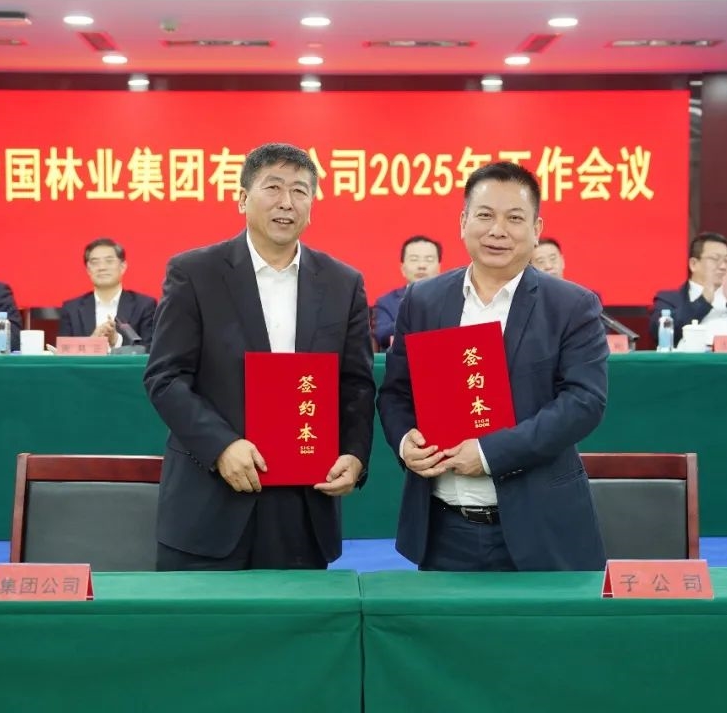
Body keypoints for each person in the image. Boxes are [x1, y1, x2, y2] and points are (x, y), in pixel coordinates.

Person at [143, 142, 376, 571]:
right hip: (210, 501)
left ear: (312, 205)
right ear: (242, 198)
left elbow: (356, 384)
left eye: (300, 191)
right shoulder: (195, 273)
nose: (287, 202)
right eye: (273, 187)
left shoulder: (343, 283)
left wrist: (354, 453)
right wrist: (221, 446)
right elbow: (165, 377)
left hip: (303, 505)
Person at [376, 161, 608, 572]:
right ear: (463, 222)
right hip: (443, 528)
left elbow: (583, 403)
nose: (497, 230)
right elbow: (396, 392)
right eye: (484, 215)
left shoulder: (572, 305)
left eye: (514, 218)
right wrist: (405, 440)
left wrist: (488, 454)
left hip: (540, 527)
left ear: (536, 229)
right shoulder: (424, 300)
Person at [649, 232, 727, 347]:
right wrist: (703, 301)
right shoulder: (669, 299)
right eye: (715, 259)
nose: (723, 266)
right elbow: (659, 334)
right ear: (693, 264)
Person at [58, 238, 157, 349]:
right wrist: (91, 342)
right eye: (95, 262)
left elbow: (149, 350)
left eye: (109, 261)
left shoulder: (144, 306)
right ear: (88, 270)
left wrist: (116, 341)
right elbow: (63, 351)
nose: (102, 268)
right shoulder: (71, 309)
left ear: (123, 267)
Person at [372, 235, 442, 349]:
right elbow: (381, 335)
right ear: (403, 268)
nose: (421, 266)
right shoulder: (386, 302)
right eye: (414, 259)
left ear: (439, 267)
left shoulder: (454, 297)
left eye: (429, 260)